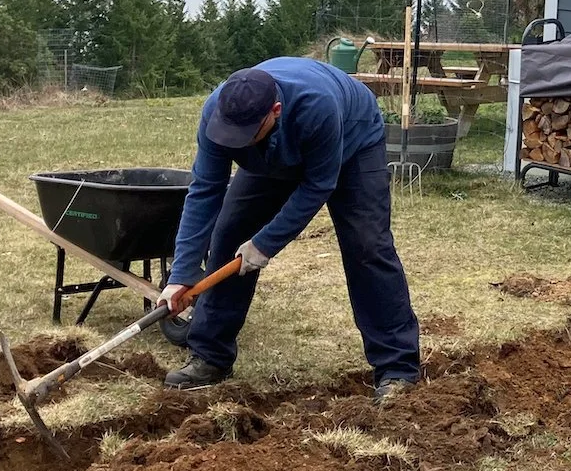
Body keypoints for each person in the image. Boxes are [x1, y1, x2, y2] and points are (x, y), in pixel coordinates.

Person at [158, 58, 421, 400]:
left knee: (367, 247)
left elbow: (318, 186)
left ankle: (397, 367)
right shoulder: (219, 114)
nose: (235, 142)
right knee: (229, 234)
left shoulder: (317, 106)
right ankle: (211, 355)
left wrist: (264, 244)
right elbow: (205, 190)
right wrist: (182, 273)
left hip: (353, 140)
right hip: (270, 156)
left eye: (245, 135)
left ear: (275, 111)